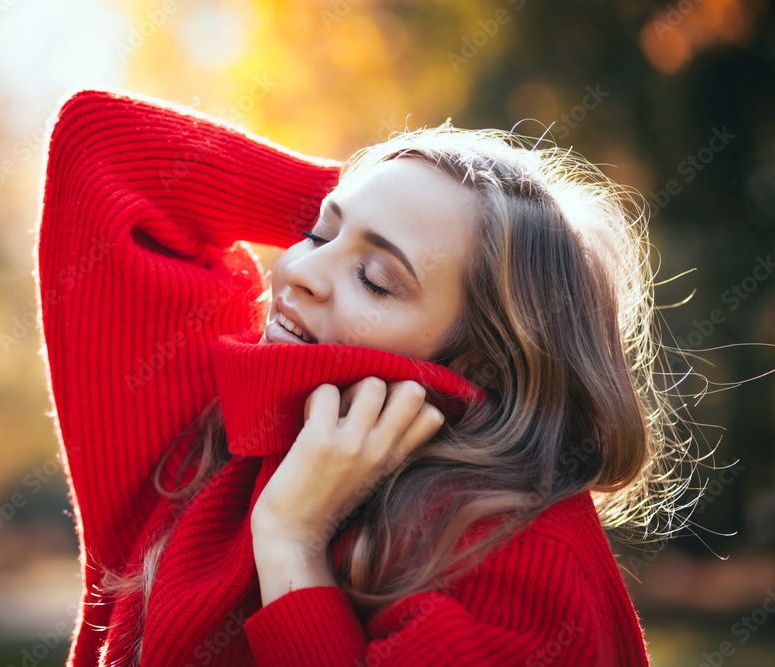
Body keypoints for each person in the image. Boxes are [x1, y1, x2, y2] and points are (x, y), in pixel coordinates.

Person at [35, 87, 679, 666]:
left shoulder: (512, 550)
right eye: (316, 233)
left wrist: (291, 544)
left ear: (481, 359)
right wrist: (400, 191)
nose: (299, 272)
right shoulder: (210, 432)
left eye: (375, 279)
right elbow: (100, 147)